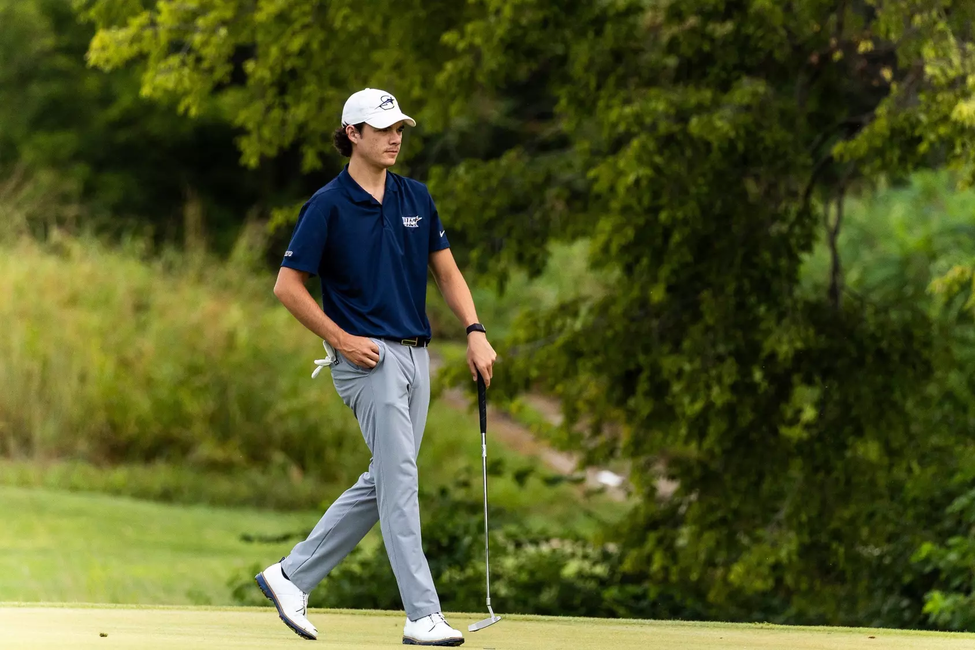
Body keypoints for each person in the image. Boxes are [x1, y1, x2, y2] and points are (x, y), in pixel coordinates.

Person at [255, 88, 497, 647]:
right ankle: (422, 614)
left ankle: (291, 576)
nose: (394, 137)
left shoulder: (416, 196)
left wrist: (475, 330)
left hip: (418, 353)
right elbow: (287, 287)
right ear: (352, 134)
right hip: (367, 358)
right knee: (401, 481)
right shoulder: (328, 205)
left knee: (387, 476)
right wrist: (340, 339)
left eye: (399, 129)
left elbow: (449, 274)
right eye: (382, 128)